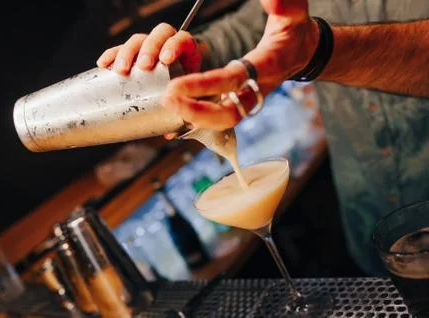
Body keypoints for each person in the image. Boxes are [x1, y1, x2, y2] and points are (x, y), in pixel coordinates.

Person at [97, 0, 429, 275]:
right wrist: (186, 61)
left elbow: (299, 41)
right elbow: (253, 25)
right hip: (370, 229)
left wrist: (317, 49)